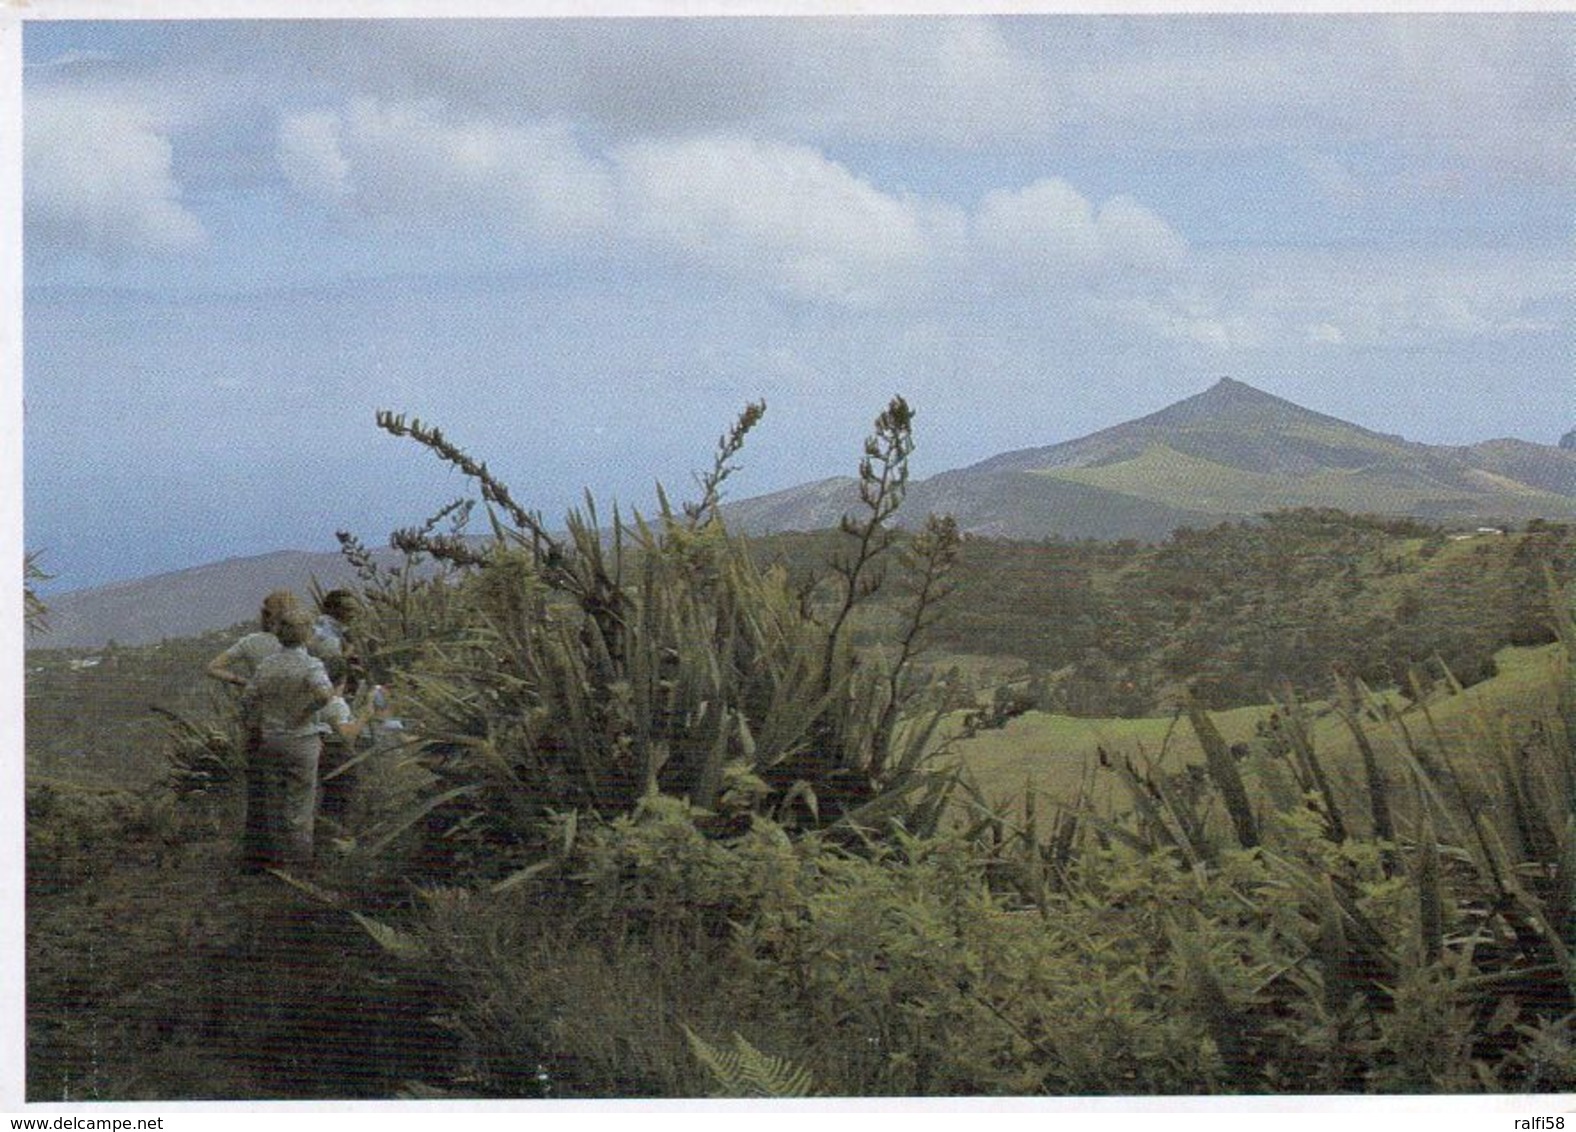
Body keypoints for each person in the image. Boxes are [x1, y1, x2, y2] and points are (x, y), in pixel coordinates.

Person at [238, 608, 341, 872]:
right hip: (301, 739)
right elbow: (323, 695)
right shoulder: (310, 665)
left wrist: (255, 726)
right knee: (301, 803)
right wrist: (304, 713)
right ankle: (301, 863)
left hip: (271, 738)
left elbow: (248, 699)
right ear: (305, 634)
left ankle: (278, 861)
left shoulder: (266, 665)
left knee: (275, 801)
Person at [206, 589, 301, 688]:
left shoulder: (250, 642)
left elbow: (212, 668)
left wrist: (245, 682)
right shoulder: (303, 640)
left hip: (264, 698)